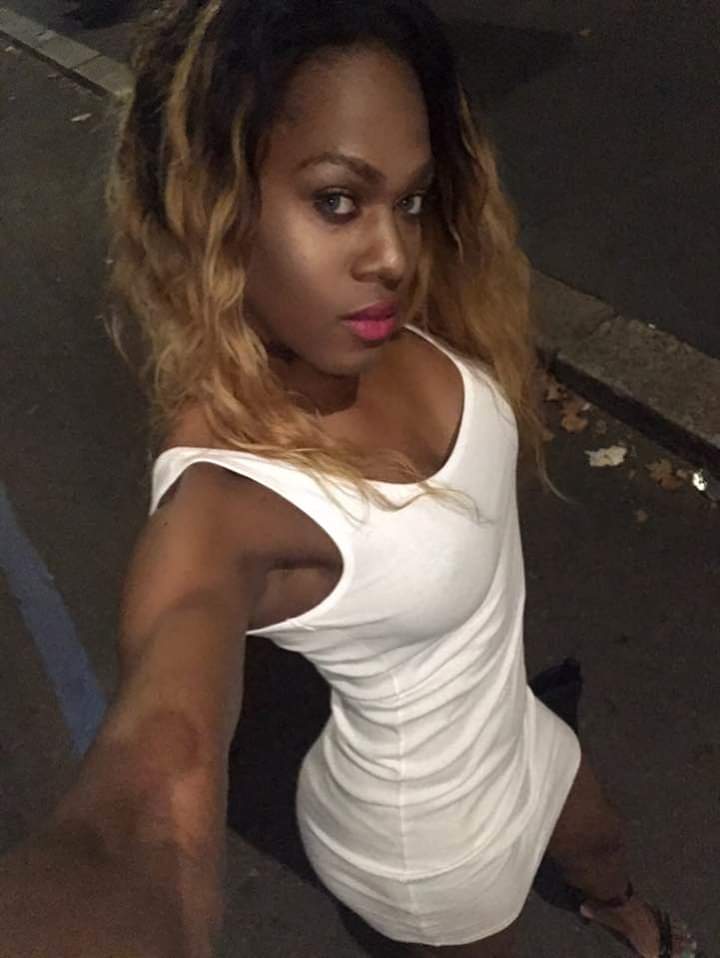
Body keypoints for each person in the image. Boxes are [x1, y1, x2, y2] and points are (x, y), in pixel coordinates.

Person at [0, 1, 701, 956]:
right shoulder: (224, 506)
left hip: (518, 728)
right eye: (336, 200)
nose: (394, 254)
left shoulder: (370, 325)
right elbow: (149, 793)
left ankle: (623, 915)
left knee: (603, 849)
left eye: (408, 200)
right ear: (209, 204)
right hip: (429, 847)